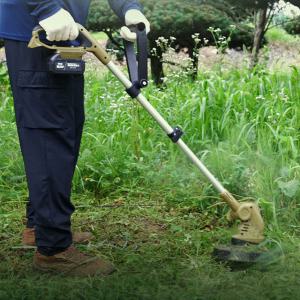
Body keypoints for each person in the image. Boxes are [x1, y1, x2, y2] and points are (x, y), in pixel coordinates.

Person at [0, 0, 150, 276]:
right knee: (50, 136)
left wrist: (130, 8)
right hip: (40, 31)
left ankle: (39, 226)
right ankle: (54, 250)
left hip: (65, 33)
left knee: (65, 127)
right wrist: (46, 8)